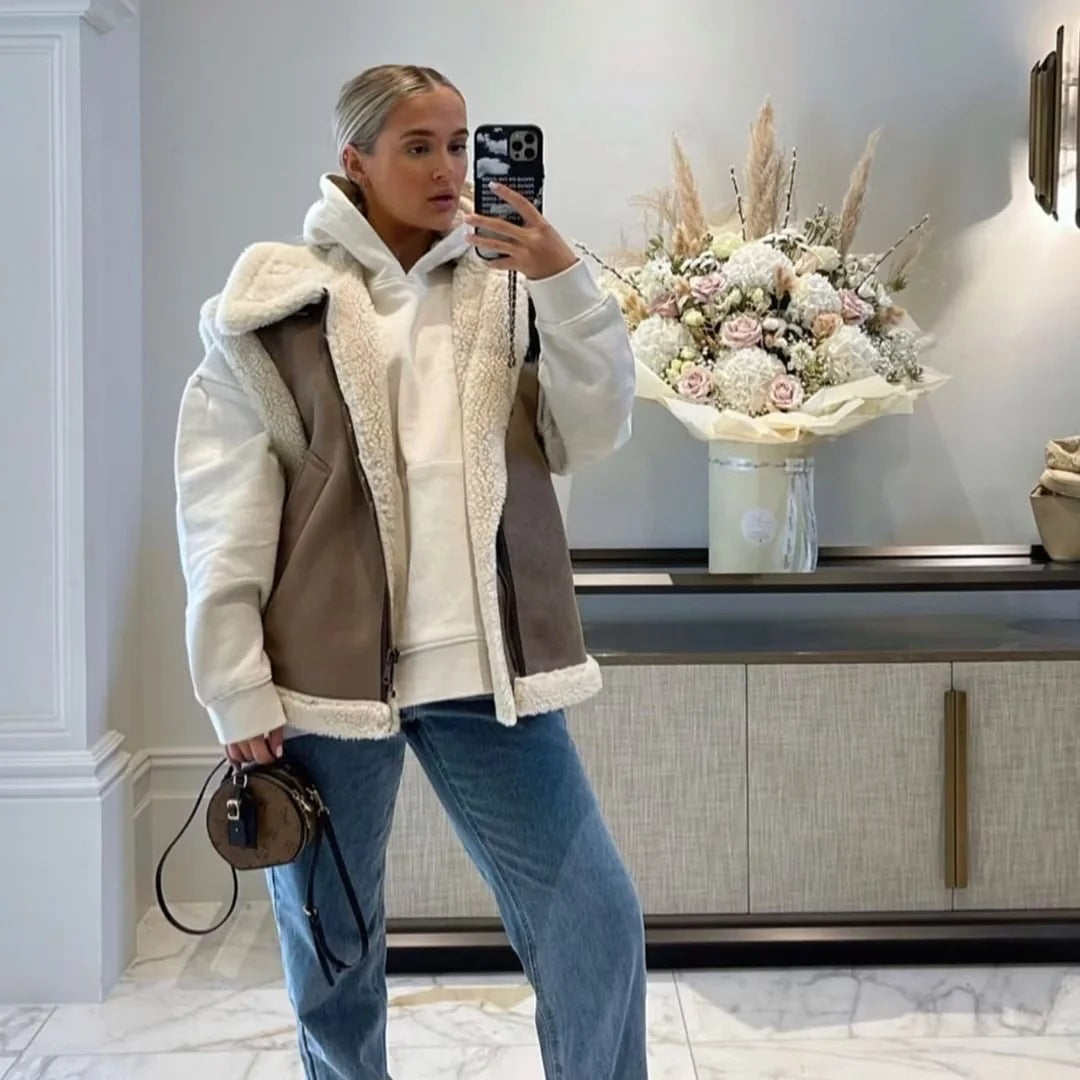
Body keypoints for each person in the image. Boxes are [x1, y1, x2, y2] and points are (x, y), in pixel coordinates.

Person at [174, 63, 646, 1080]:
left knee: (597, 925)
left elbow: (594, 432)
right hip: (323, 683)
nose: (447, 169)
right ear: (356, 161)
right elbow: (223, 505)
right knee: (332, 958)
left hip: (487, 673)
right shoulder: (276, 304)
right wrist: (232, 679)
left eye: (459, 144)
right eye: (417, 147)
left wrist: (563, 281)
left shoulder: (512, 289)